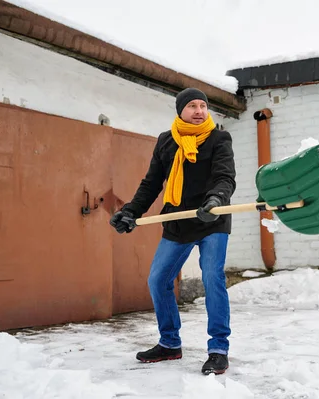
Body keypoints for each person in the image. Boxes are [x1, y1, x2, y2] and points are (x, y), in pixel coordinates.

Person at [109, 88, 236, 375]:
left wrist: (215, 200)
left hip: (212, 218)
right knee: (158, 279)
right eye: (192, 105)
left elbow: (225, 176)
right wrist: (131, 211)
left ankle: (218, 349)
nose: (199, 111)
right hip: (178, 220)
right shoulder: (167, 141)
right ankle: (170, 344)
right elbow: (152, 182)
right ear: (180, 110)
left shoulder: (218, 138)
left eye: (203, 106)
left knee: (212, 277)